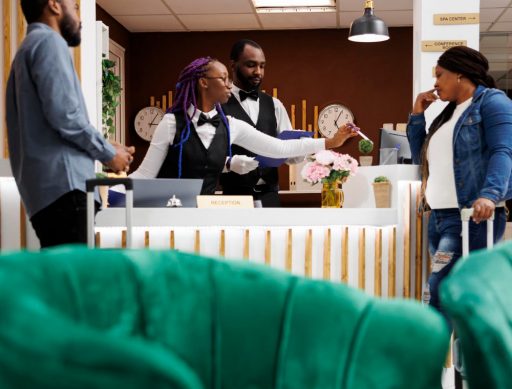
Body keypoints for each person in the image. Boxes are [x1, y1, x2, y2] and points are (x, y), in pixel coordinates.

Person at [407, 46, 512, 389]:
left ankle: (429, 386)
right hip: (440, 217)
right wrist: (418, 116)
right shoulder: (448, 113)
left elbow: (504, 151)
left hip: (472, 217)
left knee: (437, 295)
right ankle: (441, 386)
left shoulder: (492, 103)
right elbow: (420, 153)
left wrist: (490, 193)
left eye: (439, 75)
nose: (435, 83)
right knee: (444, 298)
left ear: (461, 74)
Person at [6, 0, 134, 248]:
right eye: (75, 8)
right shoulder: (49, 42)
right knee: (76, 283)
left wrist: (106, 146)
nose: (80, 18)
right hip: (66, 190)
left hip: (45, 194)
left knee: (62, 280)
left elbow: (52, 120)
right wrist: (109, 154)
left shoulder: (25, 50)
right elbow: (66, 116)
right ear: (54, 5)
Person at [129, 56, 356, 190]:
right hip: (167, 217)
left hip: (206, 219)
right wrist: (106, 190)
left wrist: (329, 142)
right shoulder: (170, 123)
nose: (229, 84)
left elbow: (280, 148)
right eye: (223, 78)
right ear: (203, 83)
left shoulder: (231, 126)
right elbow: (145, 174)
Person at [220, 39, 295, 207]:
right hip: (233, 199)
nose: (258, 72)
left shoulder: (275, 105)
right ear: (233, 65)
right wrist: (229, 163)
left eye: (262, 66)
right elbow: (207, 155)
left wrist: (300, 147)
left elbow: (289, 155)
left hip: (270, 196)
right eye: (251, 65)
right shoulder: (218, 105)